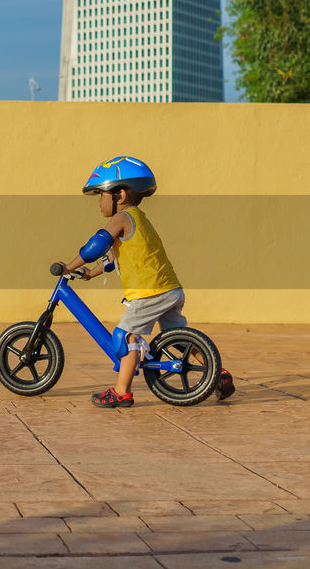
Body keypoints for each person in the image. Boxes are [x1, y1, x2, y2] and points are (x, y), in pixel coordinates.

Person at [55, 156, 233, 407]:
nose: (99, 202)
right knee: (179, 338)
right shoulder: (138, 219)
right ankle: (218, 374)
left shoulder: (121, 218)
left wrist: (69, 266)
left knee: (125, 337)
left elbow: (96, 247)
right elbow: (113, 259)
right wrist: (89, 274)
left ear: (120, 195)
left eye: (102, 195)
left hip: (149, 292)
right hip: (169, 290)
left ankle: (121, 392)